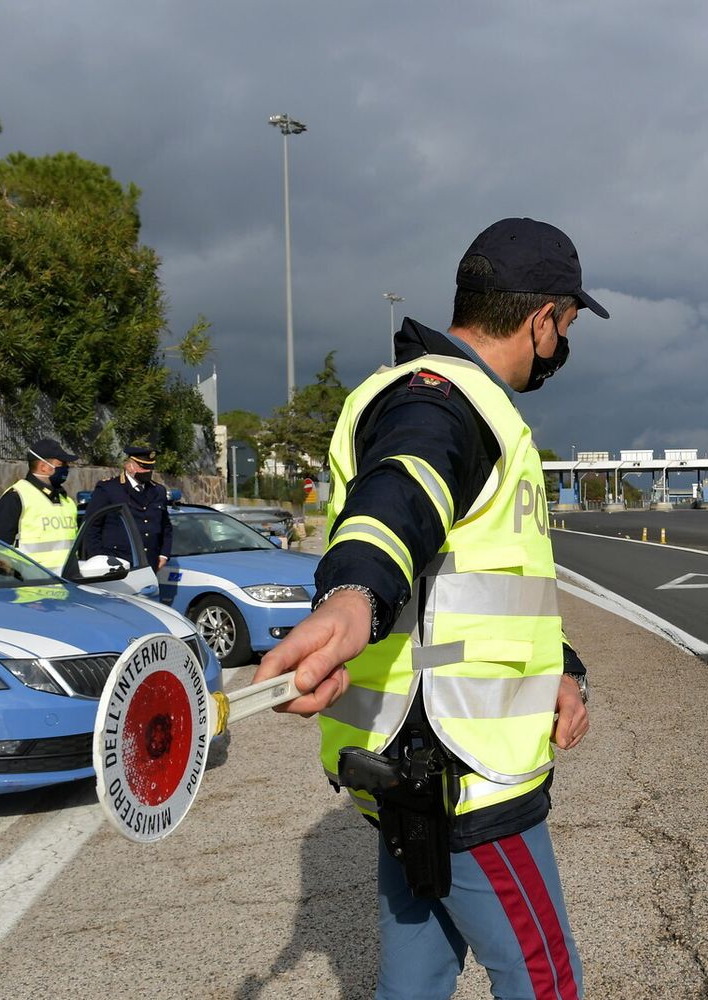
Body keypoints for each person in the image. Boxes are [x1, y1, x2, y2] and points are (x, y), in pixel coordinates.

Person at [255, 217, 605, 1000]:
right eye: (567, 325)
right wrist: (353, 595)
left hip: (402, 762)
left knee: (417, 977)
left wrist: (559, 666)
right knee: (546, 981)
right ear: (542, 319)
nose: (562, 345)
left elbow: (477, 585)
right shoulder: (443, 400)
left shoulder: (430, 393)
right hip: (463, 769)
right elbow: (402, 489)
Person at [0, 438, 79, 572]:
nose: (66, 468)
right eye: (61, 464)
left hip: (68, 581)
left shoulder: (67, 501)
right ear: (43, 466)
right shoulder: (17, 497)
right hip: (32, 583)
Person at [86, 442, 172, 571]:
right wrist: (98, 560)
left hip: (149, 563)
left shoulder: (158, 491)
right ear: (129, 466)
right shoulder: (109, 489)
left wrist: (164, 554)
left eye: (150, 467)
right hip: (117, 564)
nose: (148, 471)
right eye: (143, 467)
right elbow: (92, 527)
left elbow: (165, 526)